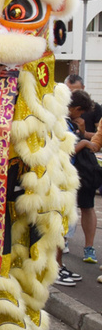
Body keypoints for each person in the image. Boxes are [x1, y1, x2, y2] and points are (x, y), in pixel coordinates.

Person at [66, 90, 99, 265]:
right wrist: (84, 143)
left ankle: (89, 247)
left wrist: (82, 132)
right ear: (76, 108)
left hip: (82, 173)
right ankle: (62, 244)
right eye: (80, 111)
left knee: (87, 207)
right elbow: (65, 151)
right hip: (66, 172)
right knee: (66, 208)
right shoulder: (58, 119)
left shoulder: (75, 122)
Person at [65, 74, 102, 142]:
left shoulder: (94, 107)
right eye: (69, 91)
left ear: (83, 88)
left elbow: (100, 134)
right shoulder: (58, 110)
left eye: (77, 91)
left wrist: (85, 134)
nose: (72, 96)